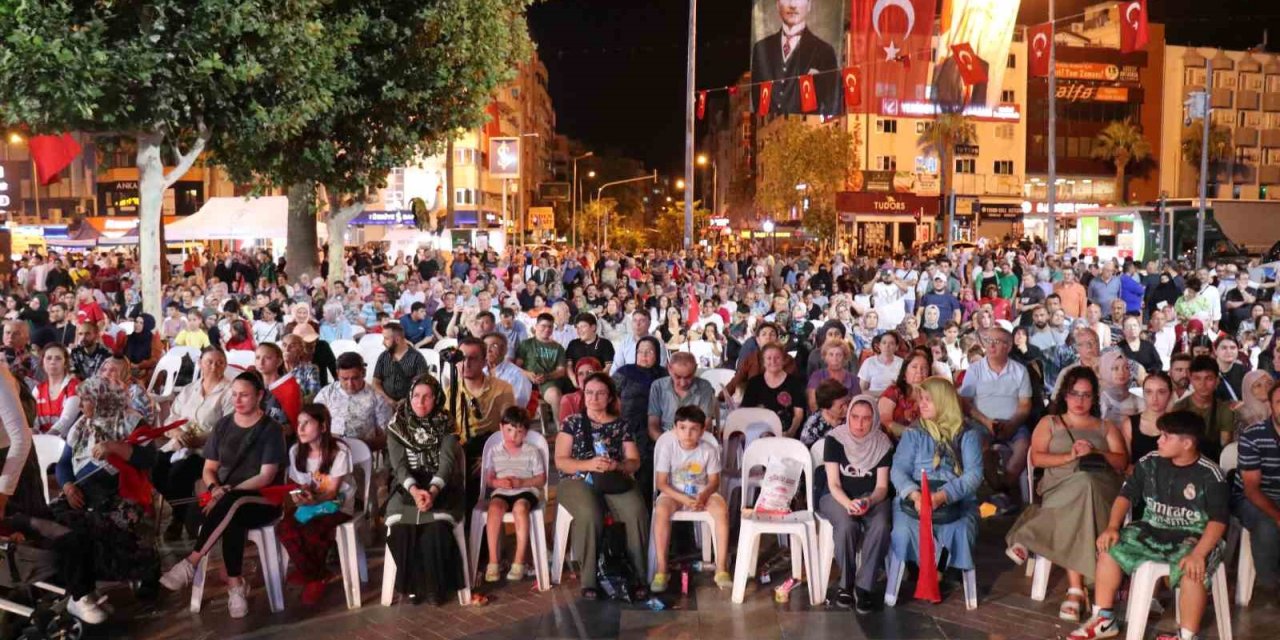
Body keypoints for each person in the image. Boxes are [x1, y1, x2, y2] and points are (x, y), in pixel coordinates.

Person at [1068, 411, 1229, 640]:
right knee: (1109, 548)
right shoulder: (1150, 462)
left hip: (1196, 537)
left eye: (1166, 436)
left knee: (1193, 570)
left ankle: (1187, 635)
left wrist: (1200, 553)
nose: (1158, 441)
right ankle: (1104, 618)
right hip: (1152, 530)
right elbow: (1126, 495)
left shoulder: (1210, 474)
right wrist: (1113, 526)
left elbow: (1218, 520)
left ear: (1186, 443)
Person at [159, 372, 289, 620]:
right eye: (234, 394)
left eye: (244, 395)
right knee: (231, 515)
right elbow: (209, 469)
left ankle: (192, 562)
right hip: (226, 499)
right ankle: (235, 585)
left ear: (260, 396)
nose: (238, 400)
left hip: (262, 498)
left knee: (232, 504)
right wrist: (213, 489)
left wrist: (226, 492)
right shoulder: (223, 425)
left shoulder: (271, 429)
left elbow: (266, 476)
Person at [1004, 367, 1127, 622]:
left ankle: (1033, 537)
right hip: (1060, 487)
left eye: (1086, 395)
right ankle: (1076, 590)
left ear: (1094, 398)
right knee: (1080, 489)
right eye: (1074, 394)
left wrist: (1096, 452)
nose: (1080, 401)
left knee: (1086, 483)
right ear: (1064, 395)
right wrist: (1069, 456)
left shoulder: (1106, 427)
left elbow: (1121, 462)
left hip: (1100, 488)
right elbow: (1037, 458)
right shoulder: (1049, 423)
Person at [50, 377, 159, 624]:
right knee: (59, 520)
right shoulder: (81, 426)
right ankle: (83, 590)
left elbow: (149, 458)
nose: (81, 406)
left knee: (108, 522)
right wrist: (67, 487)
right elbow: (64, 464)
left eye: (86, 400)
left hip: (121, 492)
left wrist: (114, 447)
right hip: (83, 492)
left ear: (102, 399)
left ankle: (141, 574)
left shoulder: (131, 420)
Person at [555, 373, 648, 600]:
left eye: (600, 393)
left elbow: (634, 461)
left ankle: (638, 576)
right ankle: (589, 580)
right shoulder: (573, 423)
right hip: (576, 478)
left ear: (610, 397)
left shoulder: (621, 424)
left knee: (636, 511)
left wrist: (617, 465)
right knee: (589, 513)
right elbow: (561, 460)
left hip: (613, 478)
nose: (594, 397)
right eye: (589, 393)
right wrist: (589, 464)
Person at [890, 377, 984, 596]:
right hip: (915, 497)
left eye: (928, 400)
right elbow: (898, 469)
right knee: (904, 529)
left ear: (944, 402)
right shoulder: (914, 433)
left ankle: (943, 566)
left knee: (959, 528)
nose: (921, 404)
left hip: (955, 498)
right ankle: (922, 568)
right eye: (920, 399)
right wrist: (915, 495)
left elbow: (974, 475)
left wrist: (944, 495)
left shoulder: (967, 434)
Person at [381, 374, 467, 605]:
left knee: (436, 527)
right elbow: (398, 467)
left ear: (436, 398)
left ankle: (435, 588)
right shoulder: (397, 426)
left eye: (427, 397)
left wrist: (432, 491)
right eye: (417, 396)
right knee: (402, 526)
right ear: (409, 397)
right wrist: (416, 491)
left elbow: (448, 464)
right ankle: (413, 585)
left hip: (442, 486)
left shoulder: (446, 424)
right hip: (407, 487)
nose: (421, 402)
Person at [820, 394, 893, 613]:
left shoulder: (882, 443)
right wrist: (848, 503)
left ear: (874, 419)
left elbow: (882, 487)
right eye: (855, 417)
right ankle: (846, 583)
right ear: (848, 416)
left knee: (881, 525)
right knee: (847, 526)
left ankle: (864, 587)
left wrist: (869, 500)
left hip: (872, 496)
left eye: (866, 418)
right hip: (837, 496)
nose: (859, 424)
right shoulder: (835, 439)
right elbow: (833, 483)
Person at [276, 403, 354, 605]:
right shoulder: (295, 452)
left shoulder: (339, 451)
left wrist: (314, 499)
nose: (300, 429)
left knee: (313, 530)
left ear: (323, 426)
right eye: (299, 423)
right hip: (309, 506)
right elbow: (297, 485)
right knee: (285, 529)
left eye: (307, 423)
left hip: (337, 505)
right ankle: (316, 574)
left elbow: (331, 492)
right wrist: (298, 495)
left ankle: (312, 576)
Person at [155, 346, 236, 540]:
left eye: (220, 363)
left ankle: (178, 518)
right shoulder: (190, 389)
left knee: (178, 474)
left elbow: (227, 428)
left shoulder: (230, 391)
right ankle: (184, 510)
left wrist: (199, 439)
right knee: (156, 469)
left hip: (207, 451)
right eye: (209, 362)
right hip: (178, 444)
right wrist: (174, 431)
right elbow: (170, 419)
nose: (214, 367)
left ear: (225, 365)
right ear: (200, 363)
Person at [650, 405, 732, 592]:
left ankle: (721, 568)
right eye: (683, 428)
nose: (688, 434)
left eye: (694, 429)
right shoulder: (668, 448)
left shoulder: (708, 450)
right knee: (661, 511)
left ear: (703, 430)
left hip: (703, 492)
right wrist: (683, 499)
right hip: (674, 492)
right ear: (675, 428)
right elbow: (661, 483)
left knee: (721, 510)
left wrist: (703, 495)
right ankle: (662, 569)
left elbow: (714, 481)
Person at [959, 328, 1033, 503]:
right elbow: (965, 403)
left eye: (997, 342)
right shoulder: (975, 370)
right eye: (988, 341)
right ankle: (995, 487)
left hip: (1013, 422)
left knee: (1024, 447)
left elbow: (1024, 405)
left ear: (1008, 347)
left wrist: (1012, 425)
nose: (991, 345)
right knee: (978, 445)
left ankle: (1005, 486)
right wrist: (986, 422)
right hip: (981, 422)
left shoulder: (1019, 370)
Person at [481, 407, 546, 584]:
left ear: (525, 433)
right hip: (502, 490)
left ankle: (519, 561)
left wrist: (522, 483)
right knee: (494, 508)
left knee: (520, 508)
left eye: (519, 432)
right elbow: (489, 479)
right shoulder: (494, 451)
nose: (513, 436)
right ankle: (493, 561)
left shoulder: (531, 451)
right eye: (509, 430)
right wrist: (498, 483)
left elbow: (541, 479)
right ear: (501, 428)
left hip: (526, 491)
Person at [749, 0, 839, 116]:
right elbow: (757, 99)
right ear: (777, 4)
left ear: (809, 5)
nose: (792, 5)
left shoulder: (824, 51)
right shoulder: (761, 48)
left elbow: (830, 102)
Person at [1236, 383, 1280, 603]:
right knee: (1267, 524)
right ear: (1271, 406)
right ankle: (1271, 586)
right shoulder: (1253, 435)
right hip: (1253, 496)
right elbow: (1251, 488)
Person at [313, 352, 394, 451]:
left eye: (355, 378)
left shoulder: (377, 397)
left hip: (363, 450)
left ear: (363, 373)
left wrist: (362, 446)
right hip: (330, 449)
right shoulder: (326, 393)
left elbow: (386, 435)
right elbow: (313, 422)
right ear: (337, 374)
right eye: (345, 379)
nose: (350, 384)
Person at [1171, 355, 1235, 462]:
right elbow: (1176, 444)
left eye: (1209, 378)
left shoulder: (1224, 409)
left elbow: (1225, 447)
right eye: (1197, 378)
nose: (1202, 384)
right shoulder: (1180, 408)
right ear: (1190, 379)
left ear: (1217, 381)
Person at [646, 352, 718, 441]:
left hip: (694, 440)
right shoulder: (658, 386)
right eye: (677, 377)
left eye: (688, 377)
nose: (683, 383)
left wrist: (691, 444)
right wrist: (665, 443)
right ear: (669, 369)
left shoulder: (704, 387)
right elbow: (653, 425)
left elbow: (707, 424)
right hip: (665, 438)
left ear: (695, 369)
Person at [742, 343, 807, 437]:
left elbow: (798, 414)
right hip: (759, 434)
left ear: (783, 360)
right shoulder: (754, 383)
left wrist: (790, 433)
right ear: (763, 362)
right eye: (768, 358)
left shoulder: (794, 382)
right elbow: (746, 411)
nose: (773, 361)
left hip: (786, 434)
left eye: (777, 358)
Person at [516, 313, 569, 426]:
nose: (547, 329)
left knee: (555, 395)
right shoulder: (526, 344)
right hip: (527, 381)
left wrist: (547, 376)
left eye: (550, 326)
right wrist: (528, 374)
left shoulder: (558, 348)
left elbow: (561, 371)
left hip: (548, 382)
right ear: (536, 326)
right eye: (543, 326)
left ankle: (561, 429)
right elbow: (516, 367)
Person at [1126, 373, 1174, 471]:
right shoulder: (1129, 424)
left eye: (1161, 392)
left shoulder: (1178, 424)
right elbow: (1126, 464)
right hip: (1139, 481)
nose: (1154, 398)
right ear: (1143, 394)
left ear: (1170, 394)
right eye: (1149, 392)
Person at [372, 323, 429, 405]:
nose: (383, 342)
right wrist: (388, 400)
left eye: (386, 339)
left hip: (410, 404)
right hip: (385, 402)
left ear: (397, 340)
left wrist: (407, 400)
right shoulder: (383, 356)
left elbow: (422, 386)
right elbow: (375, 383)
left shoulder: (417, 358)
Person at [879, 350, 931, 439]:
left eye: (924, 368)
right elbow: (885, 421)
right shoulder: (894, 392)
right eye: (914, 367)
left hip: (924, 443)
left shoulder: (933, 395)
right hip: (895, 444)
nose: (919, 371)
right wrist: (911, 434)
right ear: (904, 372)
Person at [256, 342, 303, 433]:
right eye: (257, 358)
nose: (261, 362)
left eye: (267, 358)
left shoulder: (289, 387)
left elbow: (294, 425)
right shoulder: (254, 385)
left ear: (279, 362)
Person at [34, 343, 80, 435]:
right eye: (48, 358)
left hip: (64, 443)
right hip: (39, 441)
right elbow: (32, 420)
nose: (52, 362)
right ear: (42, 362)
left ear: (65, 363)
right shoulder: (38, 389)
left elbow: (65, 421)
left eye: (58, 358)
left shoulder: (74, 386)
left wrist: (45, 440)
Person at [484, 331, 532, 411]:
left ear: (505, 350)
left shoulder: (517, 374)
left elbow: (519, 404)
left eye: (494, 346)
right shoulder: (478, 371)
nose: (488, 350)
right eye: (485, 346)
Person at [806, 338, 857, 412]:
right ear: (825, 357)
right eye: (831, 354)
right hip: (822, 418)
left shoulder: (853, 379)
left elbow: (856, 404)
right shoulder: (816, 376)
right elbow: (813, 404)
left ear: (845, 358)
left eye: (839, 355)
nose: (835, 359)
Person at [799, 378, 851, 448]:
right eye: (841, 406)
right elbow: (804, 455)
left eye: (847, 403)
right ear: (826, 408)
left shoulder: (853, 416)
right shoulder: (812, 429)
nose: (847, 408)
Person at [1098, 350, 1143, 424]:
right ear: (1105, 370)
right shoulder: (1099, 401)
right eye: (1116, 368)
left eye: (1126, 368)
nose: (1121, 372)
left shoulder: (1137, 400)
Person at [857, 331, 904, 395]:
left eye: (891, 343)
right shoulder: (869, 362)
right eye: (884, 343)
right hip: (872, 399)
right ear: (879, 346)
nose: (887, 346)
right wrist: (883, 394)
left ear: (896, 347)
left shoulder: (902, 363)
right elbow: (862, 389)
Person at [1213, 335, 1247, 402]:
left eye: (1233, 348)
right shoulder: (1207, 371)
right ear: (1215, 351)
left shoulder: (1243, 371)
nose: (1229, 351)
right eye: (1224, 348)